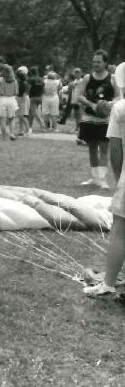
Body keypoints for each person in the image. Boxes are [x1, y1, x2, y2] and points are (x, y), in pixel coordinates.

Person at [84, 95, 125, 297]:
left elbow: (115, 150)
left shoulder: (120, 108)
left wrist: (119, 180)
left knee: (120, 229)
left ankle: (108, 285)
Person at [75, 49, 116, 188]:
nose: (95, 64)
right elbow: (79, 96)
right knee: (92, 147)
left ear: (105, 63)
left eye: (98, 62)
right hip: (89, 118)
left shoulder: (112, 78)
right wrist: (92, 105)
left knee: (104, 148)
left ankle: (102, 179)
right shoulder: (87, 78)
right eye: (94, 61)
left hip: (106, 119)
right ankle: (94, 177)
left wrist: (109, 104)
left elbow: (119, 97)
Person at [0, 64, 19, 140]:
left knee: (2, 120)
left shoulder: (1, 81)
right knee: (11, 119)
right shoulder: (15, 81)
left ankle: (3, 137)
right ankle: (12, 134)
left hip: (2, 100)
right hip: (12, 99)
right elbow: (16, 93)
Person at [27, 66, 46, 132]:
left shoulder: (31, 79)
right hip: (40, 97)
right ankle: (29, 127)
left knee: (33, 112)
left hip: (32, 97)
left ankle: (41, 124)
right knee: (32, 112)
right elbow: (44, 89)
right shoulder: (41, 79)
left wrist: (26, 94)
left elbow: (28, 88)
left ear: (31, 72)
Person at [15, 66, 31, 136]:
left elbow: (24, 93)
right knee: (20, 116)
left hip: (23, 99)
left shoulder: (24, 83)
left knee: (22, 115)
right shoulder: (21, 82)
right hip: (20, 98)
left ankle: (27, 129)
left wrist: (20, 102)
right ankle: (21, 131)